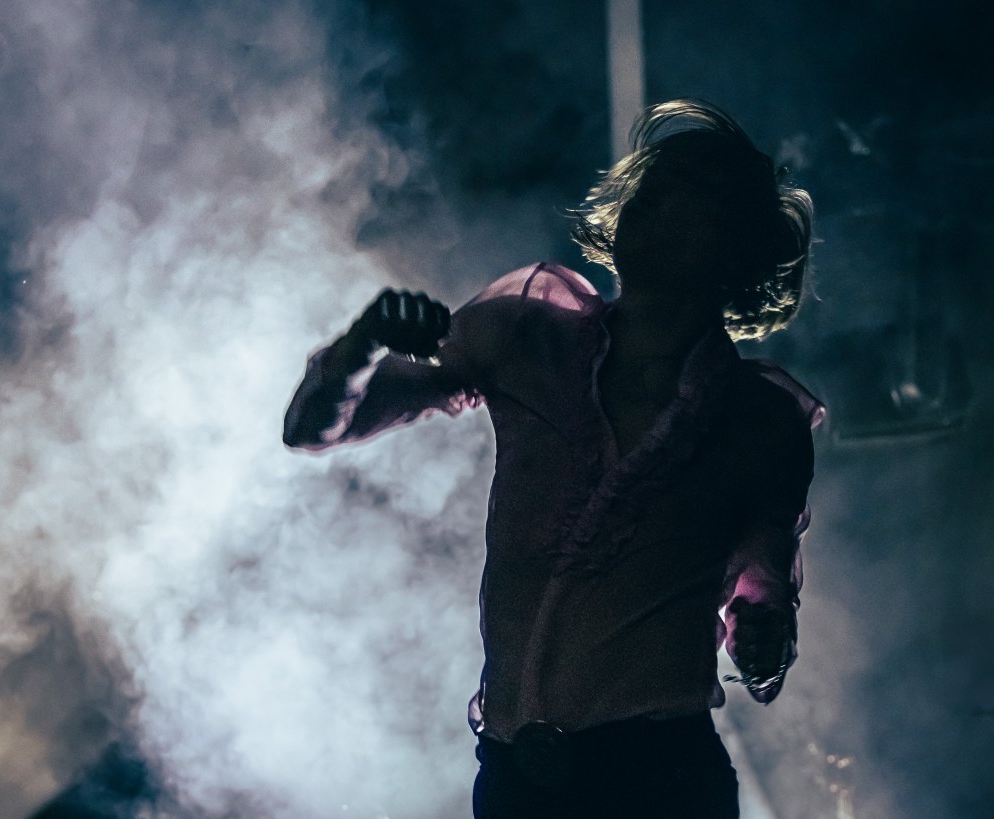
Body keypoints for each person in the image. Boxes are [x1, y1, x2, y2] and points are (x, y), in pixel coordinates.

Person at [283, 100, 824, 819]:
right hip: (517, 783)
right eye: (650, 188)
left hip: (662, 786)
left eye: (689, 198)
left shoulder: (761, 423)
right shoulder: (526, 334)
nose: (654, 205)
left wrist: (763, 637)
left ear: (734, 248)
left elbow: (763, 602)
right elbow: (312, 427)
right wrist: (362, 344)